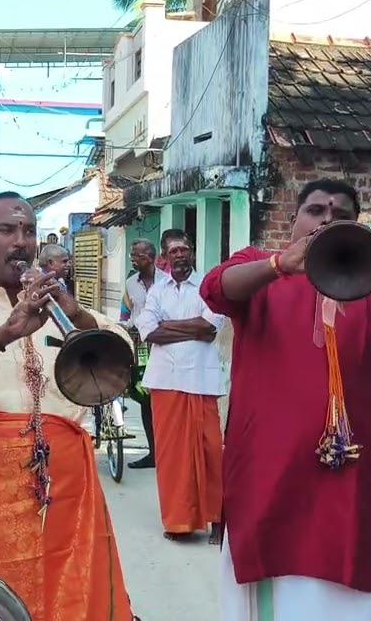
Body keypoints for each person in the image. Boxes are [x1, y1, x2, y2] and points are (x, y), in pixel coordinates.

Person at [201, 178, 371, 621]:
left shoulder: (370, 285)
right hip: (268, 470)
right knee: (267, 572)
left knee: (345, 581)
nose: (325, 221)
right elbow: (216, 288)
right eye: (315, 211)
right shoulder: (260, 266)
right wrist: (281, 264)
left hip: (345, 473)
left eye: (340, 216)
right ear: (294, 220)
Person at [0, 191, 138, 621]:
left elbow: (123, 351)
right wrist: (1, 336)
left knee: (72, 581)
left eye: (29, 231)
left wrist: (80, 317)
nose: (21, 241)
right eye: (7, 230)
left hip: (67, 479)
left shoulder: (61, 306)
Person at [134, 230, 225, 543]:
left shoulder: (208, 287)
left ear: (193, 253)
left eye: (184, 249)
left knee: (211, 451)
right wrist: (190, 329)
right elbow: (148, 331)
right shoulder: (157, 291)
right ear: (164, 257)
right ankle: (179, 523)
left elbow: (210, 327)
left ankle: (216, 519)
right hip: (166, 381)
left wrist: (167, 325)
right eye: (173, 251)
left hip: (201, 380)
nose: (180, 255)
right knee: (173, 457)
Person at [120, 237, 163, 469]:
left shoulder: (166, 281)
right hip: (140, 344)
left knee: (163, 399)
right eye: (132, 256)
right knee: (143, 396)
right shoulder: (131, 283)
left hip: (164, 342)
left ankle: (168, 452)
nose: (134, 260)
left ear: (151, 257)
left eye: (137, 256)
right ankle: (153, 453)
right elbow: (126, 310)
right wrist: (121, 325)